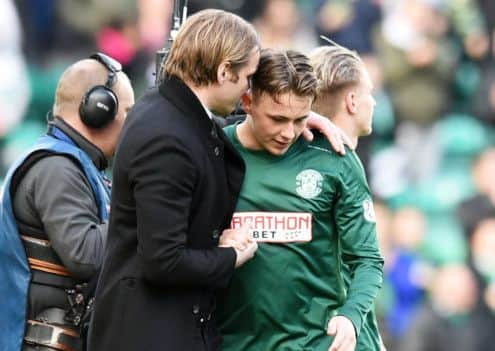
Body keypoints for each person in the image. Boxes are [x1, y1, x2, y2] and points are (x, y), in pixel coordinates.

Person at [217, 46, 384, 351]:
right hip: (236, 343)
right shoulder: (215, 151)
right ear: (247, 101)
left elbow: (368, 260)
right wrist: (215, 243)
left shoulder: (333, 156)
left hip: (315, 344)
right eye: (277, 118)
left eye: (300, 119)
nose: (288, 132)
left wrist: (351, 316)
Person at [0, 53, 134, 351]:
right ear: (99, 109)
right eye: (128, 111)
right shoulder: (57, 169)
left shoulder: (77, 165)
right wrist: (139, 206)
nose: (132, 123)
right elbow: (86, 255)